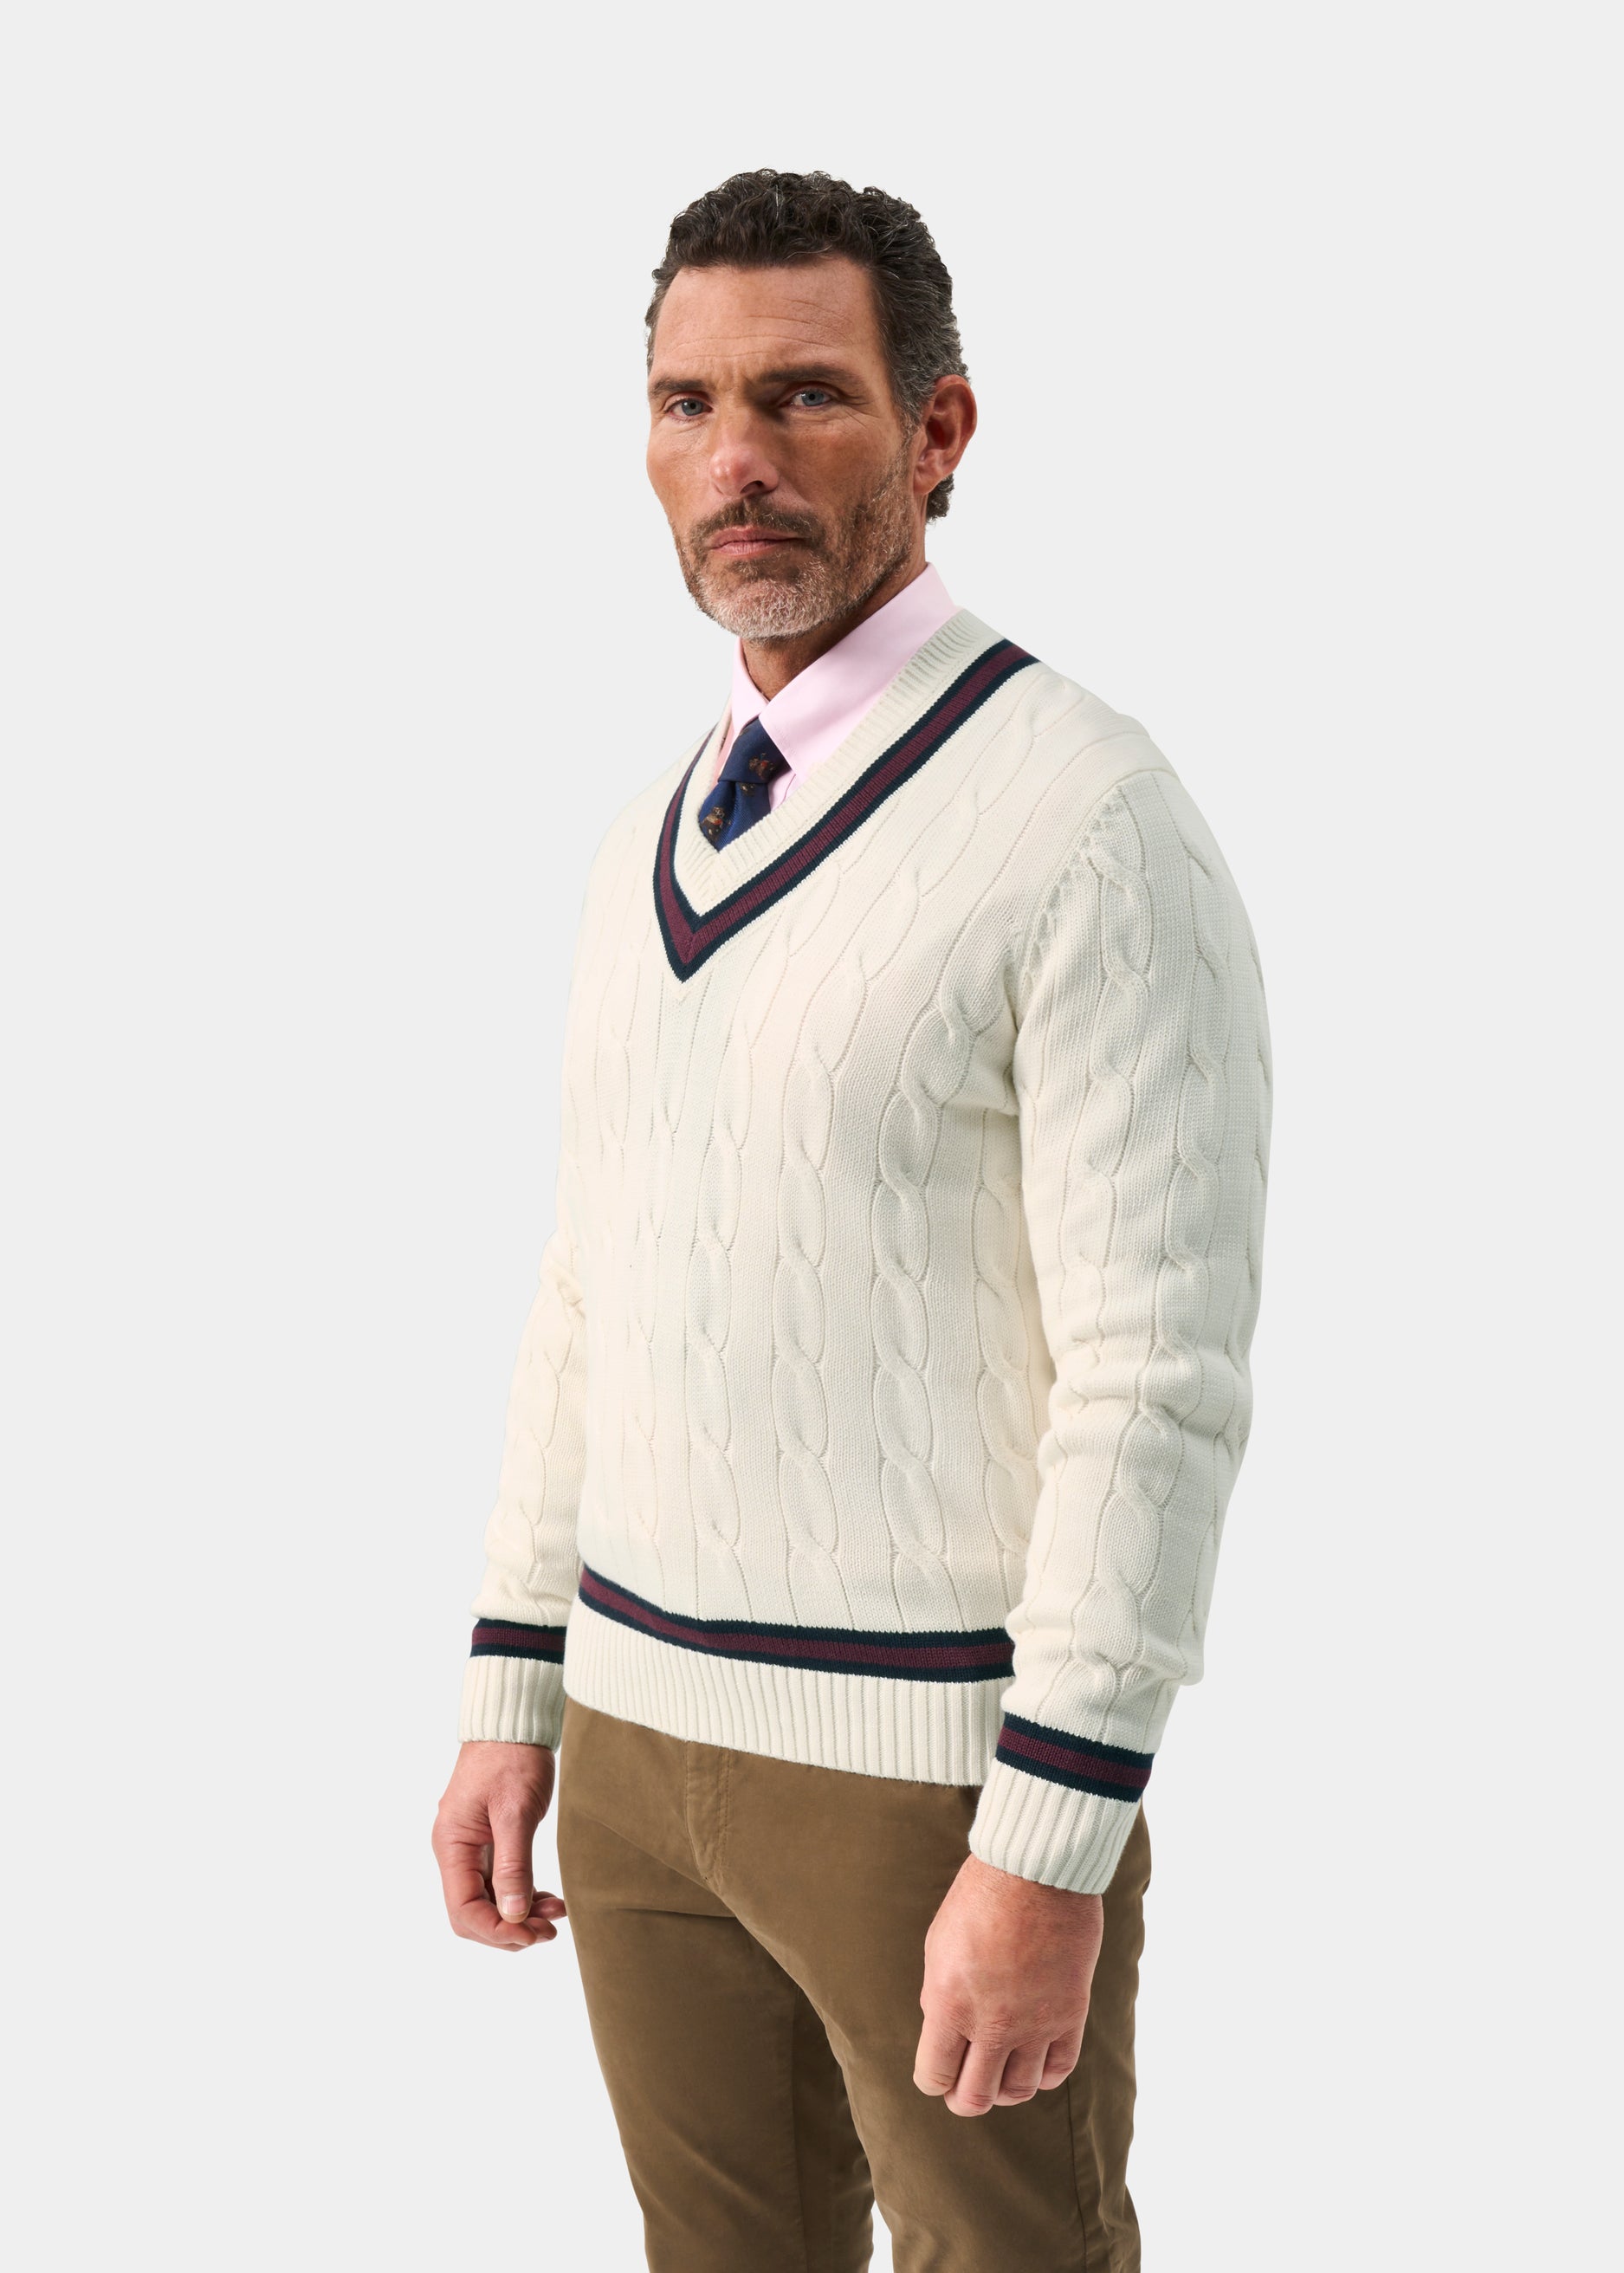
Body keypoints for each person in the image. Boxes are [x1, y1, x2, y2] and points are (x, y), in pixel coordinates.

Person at [431, 167, 1271, 2273]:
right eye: (687, 402)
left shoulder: (1084, 818)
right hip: (636, 1748)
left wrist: (1050, 1832)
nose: (737, 458)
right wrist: (514, 1687)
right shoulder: (652, 828)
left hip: (927, 1782)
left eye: (802, 395)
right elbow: (589, 1281)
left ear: (936, 430)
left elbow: (1153, 1376)